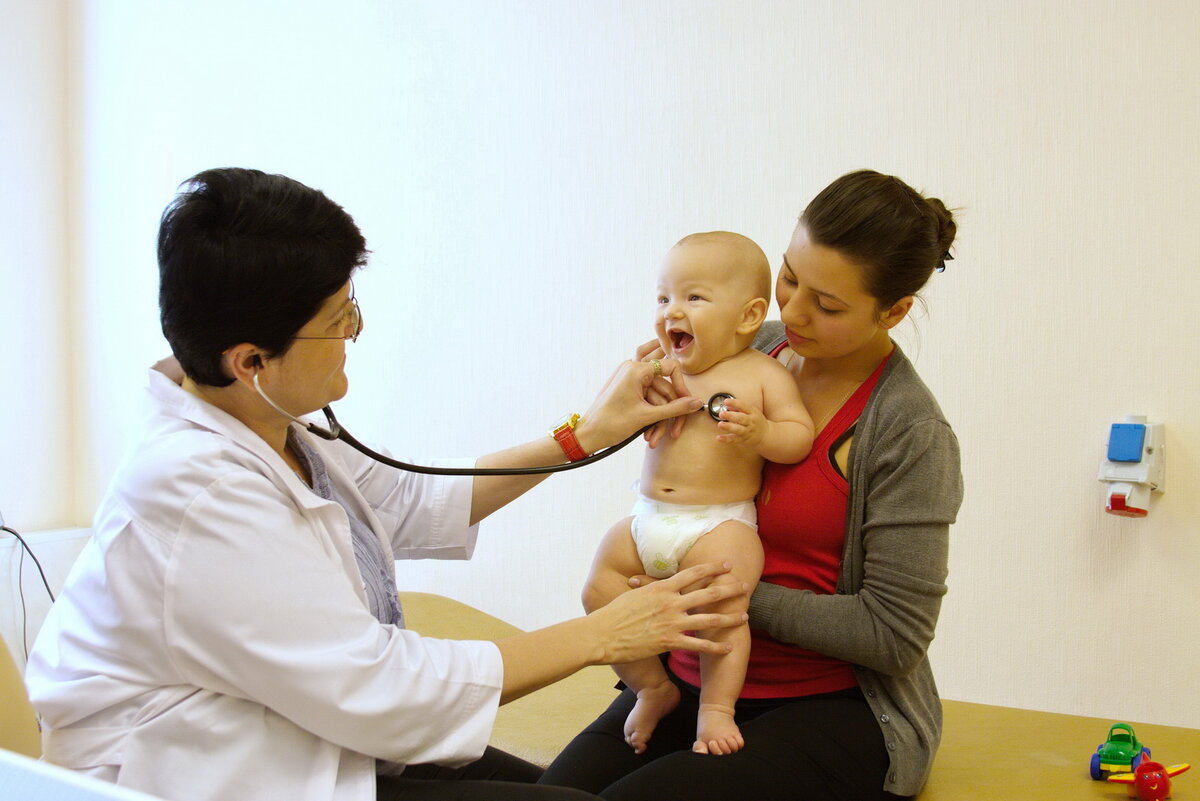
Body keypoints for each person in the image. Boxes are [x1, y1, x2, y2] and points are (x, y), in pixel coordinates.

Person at [23, 168, 750, 801]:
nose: (354, 333)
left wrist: (582, 435)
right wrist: (602, 633)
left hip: (316, 733)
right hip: (215, 773)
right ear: (251, 362)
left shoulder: (266, 424)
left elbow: (414, 502)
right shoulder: (197, 494)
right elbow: (381, 686)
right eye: (338, 320)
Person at [540, 169, 964, 801]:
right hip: (685, 673)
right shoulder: (748, 348)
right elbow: (655, 365)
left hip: (829, 706)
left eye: (827, 305)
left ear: (894, 311)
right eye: (789, 278)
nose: (792, 312)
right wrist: (646, 387)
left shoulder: (908, 431)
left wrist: (704, 593)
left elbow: (893, 633)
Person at [581, 231, 813, 758]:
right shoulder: (662, 368)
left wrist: (762, 433)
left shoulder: (763, 373)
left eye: (694, 297)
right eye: (663, 298)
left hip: (717, 523)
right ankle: (651, 687)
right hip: (647, 516)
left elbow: (798, 435)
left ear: (749, 316)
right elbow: (612, 417)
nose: (672, 311)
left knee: (725, 606)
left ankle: (715, 708)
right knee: (598, 589)